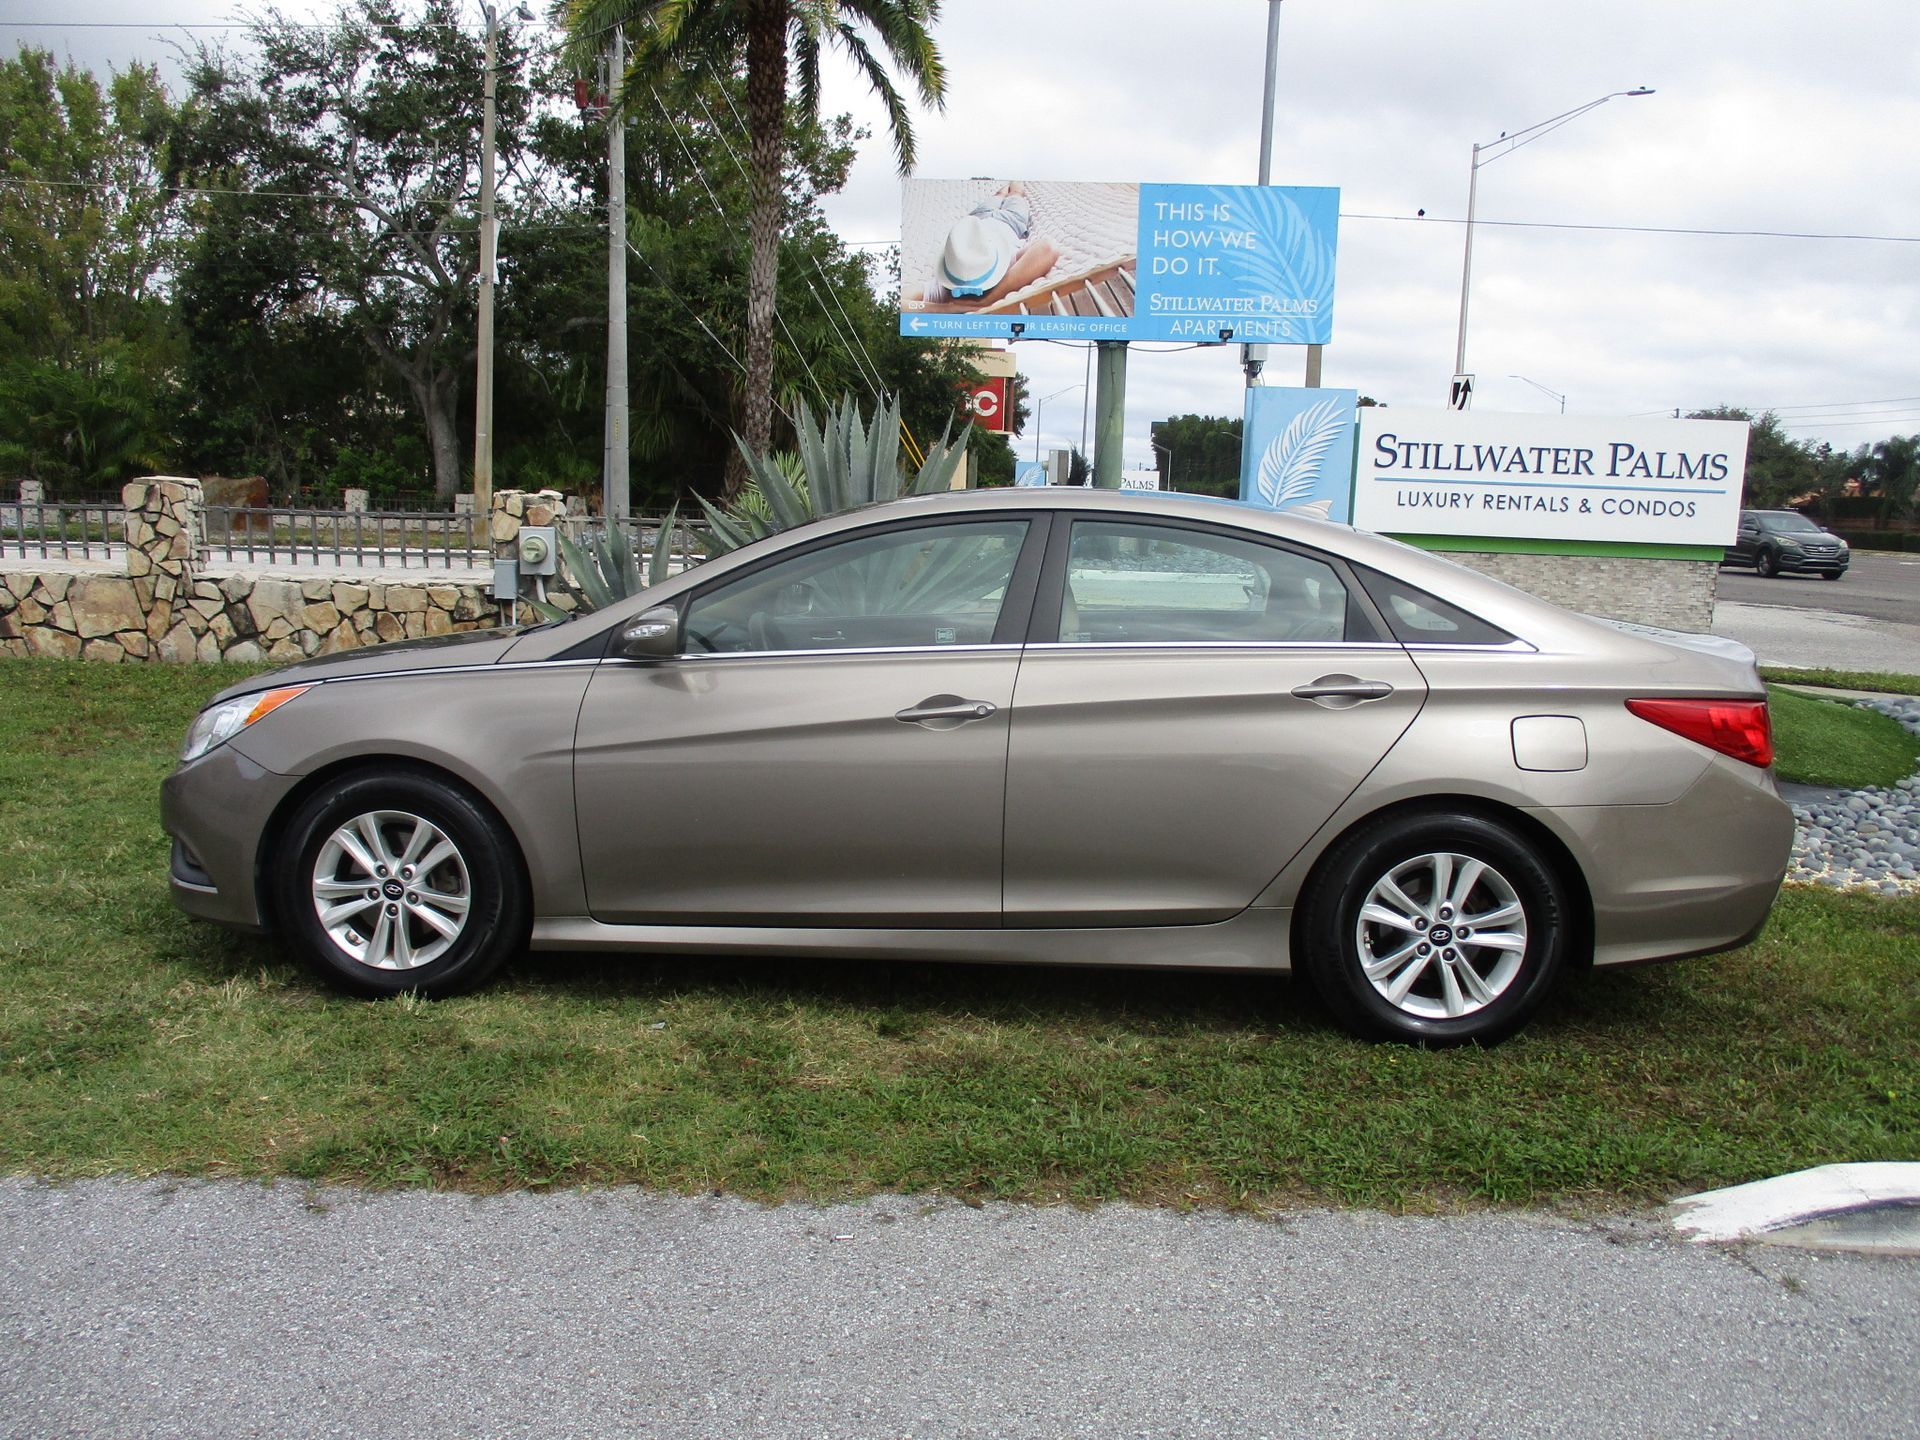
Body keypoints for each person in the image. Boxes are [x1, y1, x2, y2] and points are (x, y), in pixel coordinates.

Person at [908, 181, 1061, 312]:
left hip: (976, 220)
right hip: (1011, 221)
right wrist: (954, 308)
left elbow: (901, 302)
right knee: (1015, 193)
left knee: (1000, 194)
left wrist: (977, 303)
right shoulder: (1005, 267)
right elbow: (1048, 248)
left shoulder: (943, 287)